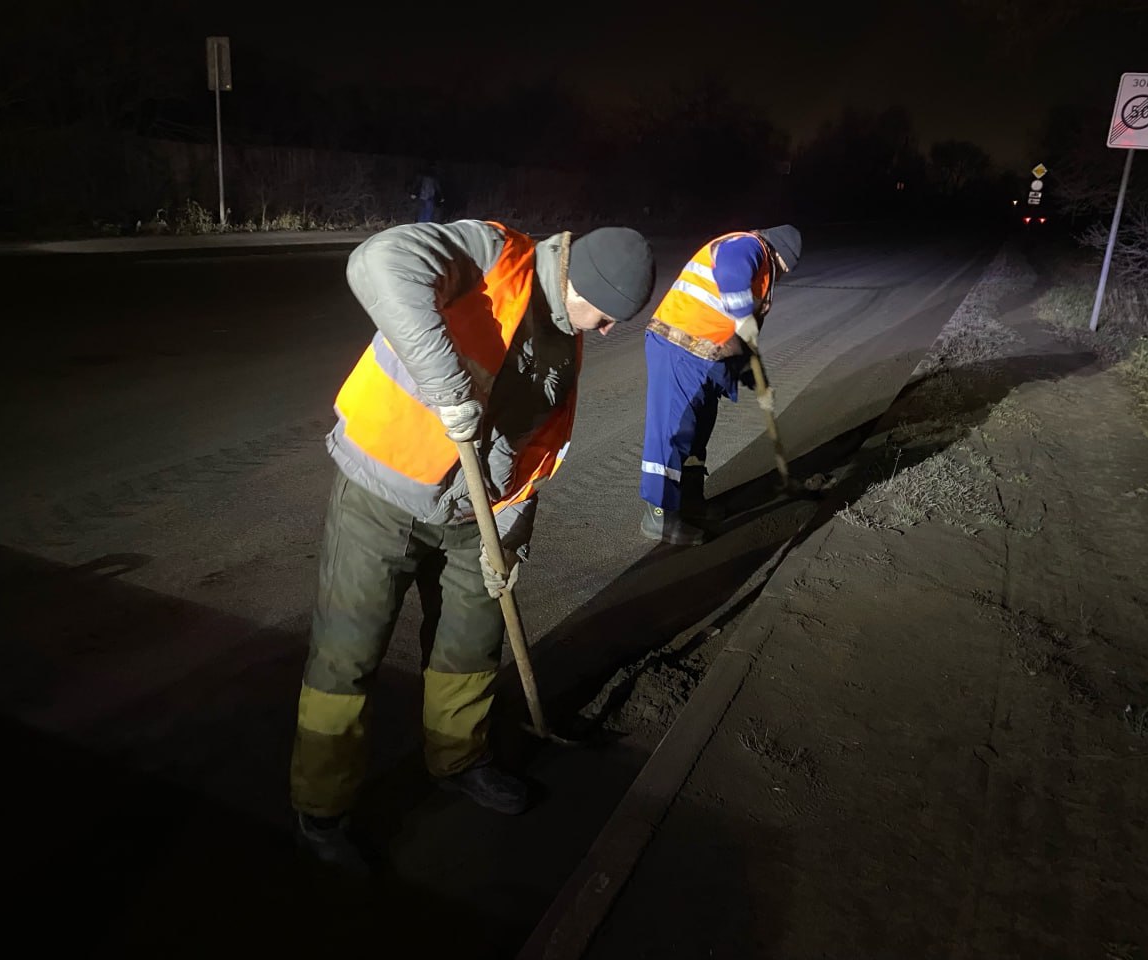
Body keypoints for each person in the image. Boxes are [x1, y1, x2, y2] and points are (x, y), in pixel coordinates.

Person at [291, 219, 655, 873]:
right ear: (579, 280)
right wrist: (449, 389)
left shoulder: (564, 341)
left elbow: (535, 452)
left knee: (470, 642)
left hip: (476, 516)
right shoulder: (492, 254)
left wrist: (509, 542)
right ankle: (322, 808)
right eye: (603, 317)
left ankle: (458, 759)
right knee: (347, 654)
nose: (604, 333)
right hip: (386, 488)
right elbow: (376, 263)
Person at [638, 225, 802, 545]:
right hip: (679, 346)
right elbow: (730, 269)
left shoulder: (761, 269)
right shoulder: (747, 246)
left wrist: (744, 369)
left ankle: (690, 500)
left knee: (699, 431)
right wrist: (742, 314)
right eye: (782, 269)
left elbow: (738, 333)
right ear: (778, 255)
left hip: (708, 355)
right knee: (674, 432)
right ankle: (659, 516)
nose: (779, 276)